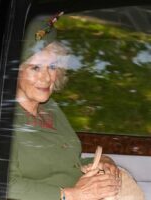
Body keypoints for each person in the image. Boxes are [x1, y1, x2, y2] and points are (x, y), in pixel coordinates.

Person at [7, 14, 121, 200]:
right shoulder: (3, 118)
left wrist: (98, 162)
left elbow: (65, 164)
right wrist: (71, 195)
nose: (46, 78)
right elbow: (3, 184)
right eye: (35, 68)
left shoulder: (50, 108)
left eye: (52, 67)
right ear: (15, 72)